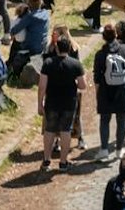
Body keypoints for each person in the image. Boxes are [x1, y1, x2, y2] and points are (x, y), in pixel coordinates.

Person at [38, 35, 87, 171]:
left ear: (57, 48)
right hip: (69, 103)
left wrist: (39, 103)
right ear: (70, 47)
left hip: (52, 102)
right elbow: (82, 86)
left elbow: (42, 86)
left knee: (50, 130)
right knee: (66, 131)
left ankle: (46, 160)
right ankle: (63, 162)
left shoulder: (48, 63)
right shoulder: (75, 64)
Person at [94, 21, 125, 155]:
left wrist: (98, 93)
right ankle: (119, 149)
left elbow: (97, 77)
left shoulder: (100, 54)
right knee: (121, 120)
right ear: (116, 35)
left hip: (106, 90)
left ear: (103, 37)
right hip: (123, 88)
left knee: (104, 120)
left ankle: (103, 149)